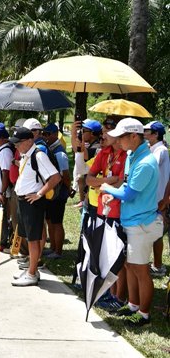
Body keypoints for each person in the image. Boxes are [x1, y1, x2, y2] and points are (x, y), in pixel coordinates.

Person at [101, 118, 162, 327]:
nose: (117, 141)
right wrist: (114, 195)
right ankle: (134, 305)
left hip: (141, 224)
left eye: (121, 137)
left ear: (134, 136)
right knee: (131, 266)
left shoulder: (145, 163)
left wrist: (107, 189)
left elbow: (128, 194)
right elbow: (127, 185)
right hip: (133, 222)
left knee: (140, 270)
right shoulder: (133, 156)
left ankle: (144, 315)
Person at [84, 117, 128, 311]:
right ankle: (110, 293)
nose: (102, 135)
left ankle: (120, 297)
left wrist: (105, 183)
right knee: (108, 253)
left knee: (120, 257)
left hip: (121, 212)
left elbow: (123, 183)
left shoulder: (127, 156)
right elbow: (89, 180)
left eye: (106, 131)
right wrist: (109, 180)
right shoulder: (104, 153)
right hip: (103, 211)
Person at [10, 127, 61, 286]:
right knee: (29, 237)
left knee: (33, 239)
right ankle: (32, 269)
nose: (16, 146)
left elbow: (55, 177)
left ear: (29, 141)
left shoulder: (39, 155)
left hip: (33, 202)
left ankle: (32, 273)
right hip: (24, 201)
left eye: (18, 143)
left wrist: (39, 193)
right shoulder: (27, 154)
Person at [143, 121, 170, 278]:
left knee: (157, 233)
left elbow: (150, 166)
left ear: (155, 134)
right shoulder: (155, 149)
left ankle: (158, 266)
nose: (144, 133)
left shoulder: (160, 150)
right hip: (155, 198)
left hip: (157, 199)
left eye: (147, 131)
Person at [42, 123, 71, 259]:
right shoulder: (50, 149)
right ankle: (53, 247)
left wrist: (68, 188)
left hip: (59, 193)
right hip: (51, 192)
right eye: (44, 133)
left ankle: (58, 251)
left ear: (55, 134)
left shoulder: (60, 152)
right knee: (50, 220)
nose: (45, 136)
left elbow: (65, 175)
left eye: (47, 134)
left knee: (57, 222)